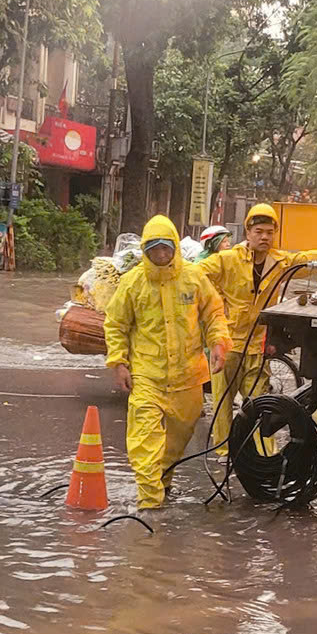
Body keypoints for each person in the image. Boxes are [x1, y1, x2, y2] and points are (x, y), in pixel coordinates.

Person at [103, 215, 229, 509]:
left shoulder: (194, 278)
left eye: (166, 248)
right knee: (145, 440)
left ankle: (162, 479)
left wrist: (219, 344)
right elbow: (116, 324)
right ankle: (150, 506)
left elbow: (213, 314)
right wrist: (119, 363)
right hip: (147, 376)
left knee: (178, 437)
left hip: (188, 376)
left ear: (174, 247)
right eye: (154, 249)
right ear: (146, 250)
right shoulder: (134, 283)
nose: (161, 255)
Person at [196, 202, 317, 449]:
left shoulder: (279, 262)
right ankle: (224, 451)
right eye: (259, 232)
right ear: (248, 232)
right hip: (227, 343)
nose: (265, 237)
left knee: (260, 403)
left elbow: (305, 259)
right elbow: (195, 275)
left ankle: (263, 454)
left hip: (258, 344)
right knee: (222, 402)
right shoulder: (227, 260)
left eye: (269, 232)